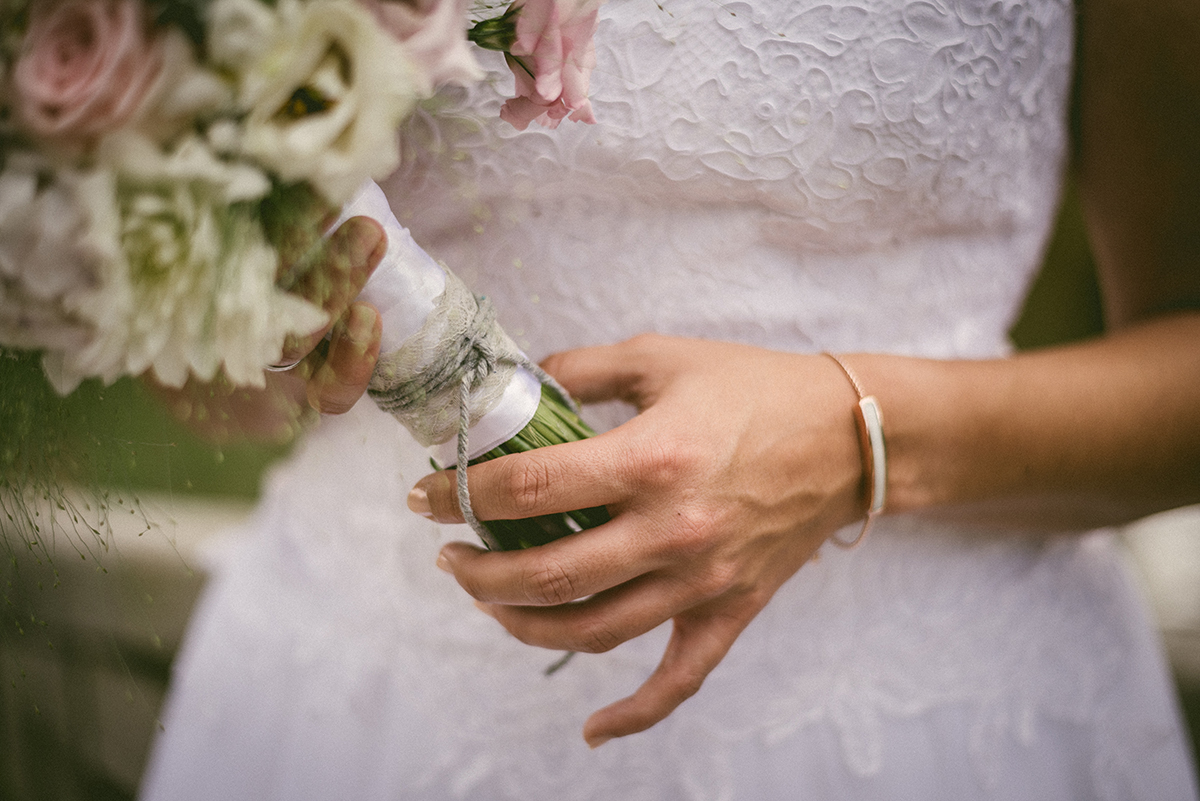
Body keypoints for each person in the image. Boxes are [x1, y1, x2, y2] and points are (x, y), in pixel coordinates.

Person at [141, 0, 1200, 798]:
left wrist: (854, 442)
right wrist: (251, 316)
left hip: (931, 723)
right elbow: (217, 390)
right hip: (353, 717)